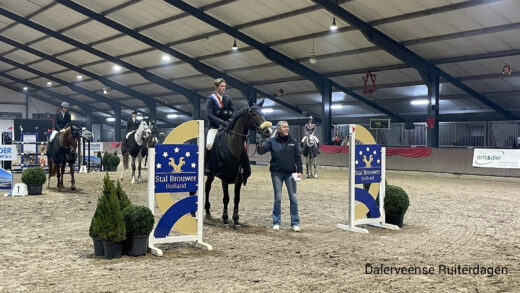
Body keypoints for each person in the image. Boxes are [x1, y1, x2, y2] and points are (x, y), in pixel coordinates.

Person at [258, 121, 303, 232]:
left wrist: (300, 171)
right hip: (276, 173)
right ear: (278, 129)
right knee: (277, 197)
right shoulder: (272, 141)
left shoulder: (293, 141)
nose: (287, 128)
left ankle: (295, 223)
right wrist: (261, 140)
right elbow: (261, 151)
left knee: (293, 198)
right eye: (284, 127)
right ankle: (277, 222)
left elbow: (298, 157)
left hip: (291, 173)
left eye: (288, 127)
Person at [206, 78, 236, 150]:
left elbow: (234, 110)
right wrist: (221, 122)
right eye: (221, 86)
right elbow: (209, 114)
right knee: (209, 144)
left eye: (224, 86)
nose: (224, 88)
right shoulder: (211, 99)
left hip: (227, 127)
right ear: (216, 87)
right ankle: (206, 160)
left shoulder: (227, 98)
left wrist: (231, 119)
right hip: (215, 127)